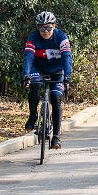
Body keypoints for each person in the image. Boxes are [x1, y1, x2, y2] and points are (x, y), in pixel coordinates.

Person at [23, 11, 72, 150]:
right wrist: (26, 74)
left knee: (55, 98)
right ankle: (33, 116)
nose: (46, 31)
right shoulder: (33, 37)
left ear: (54, 26)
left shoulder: (61, 37)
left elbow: (67, 57)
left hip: (57, 71)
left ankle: (56, 137)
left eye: (49, 28)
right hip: (38, 68)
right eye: (42, 28)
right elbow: (28, 57)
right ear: (38, 27)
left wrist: (67, 77)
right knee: (35, 85)